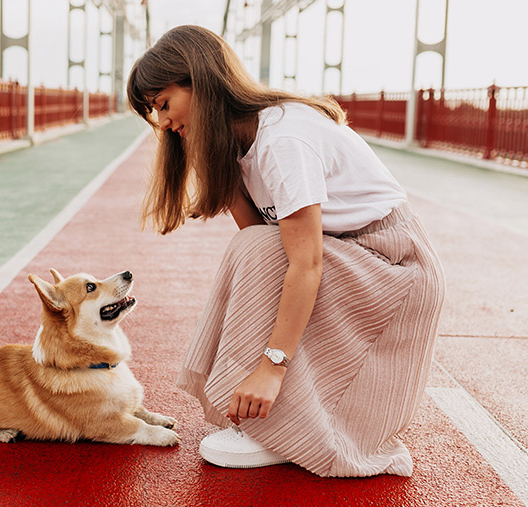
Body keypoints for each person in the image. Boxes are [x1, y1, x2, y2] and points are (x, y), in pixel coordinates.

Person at [126, 25, 445, 478]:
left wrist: (272, 368)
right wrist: (208, 155)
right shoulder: (237, 141)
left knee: (260, 251)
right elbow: (263, 244)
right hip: (344, 254)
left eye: (163, 104)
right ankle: (262, 419)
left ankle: (273, 425)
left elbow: (305, 263)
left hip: (393, 266)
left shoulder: (283, 140)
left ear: (200, 82)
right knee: (253, 247)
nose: (162, 122)